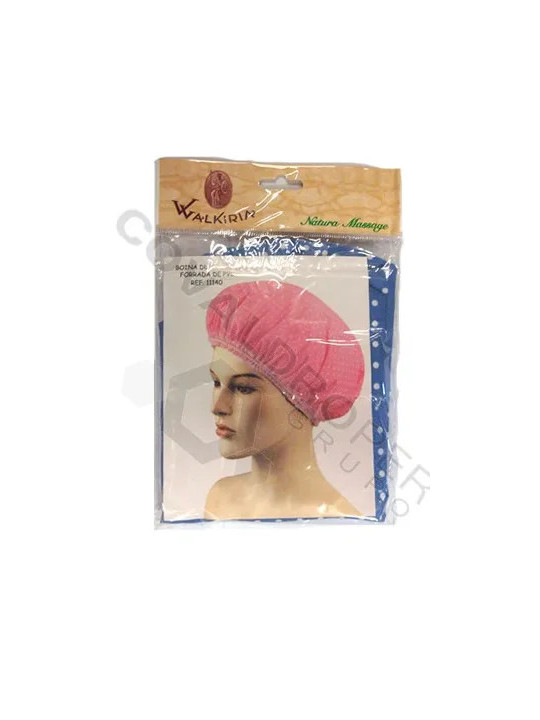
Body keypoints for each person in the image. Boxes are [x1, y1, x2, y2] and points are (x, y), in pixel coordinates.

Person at [203, 280, 365, 520]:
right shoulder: (220, 496)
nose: (217, 407)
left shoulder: (337, 521)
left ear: (303, 402)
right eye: (216, 382)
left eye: (244, 388)